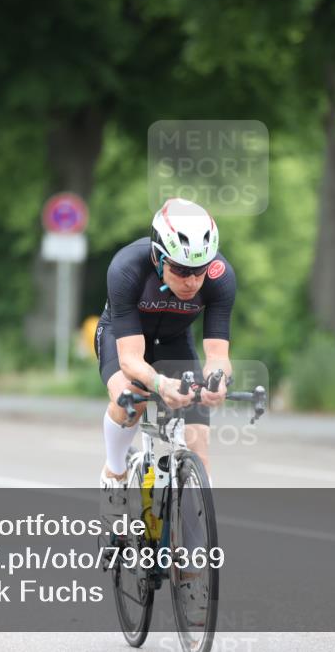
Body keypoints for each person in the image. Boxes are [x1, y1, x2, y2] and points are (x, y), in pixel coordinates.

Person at [95, 198, 236, 493]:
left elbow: (218, 355)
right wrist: (159, 384)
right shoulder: (126, 268)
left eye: (200, 269)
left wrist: (218, 380)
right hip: (123, 337)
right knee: (131, 397)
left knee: (198, 440)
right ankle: (115, 470)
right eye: (182, 270)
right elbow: (131, 359)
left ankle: (197, 529)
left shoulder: (220, 278)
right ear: (159, 258)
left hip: (174, 340)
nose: (193, 281)